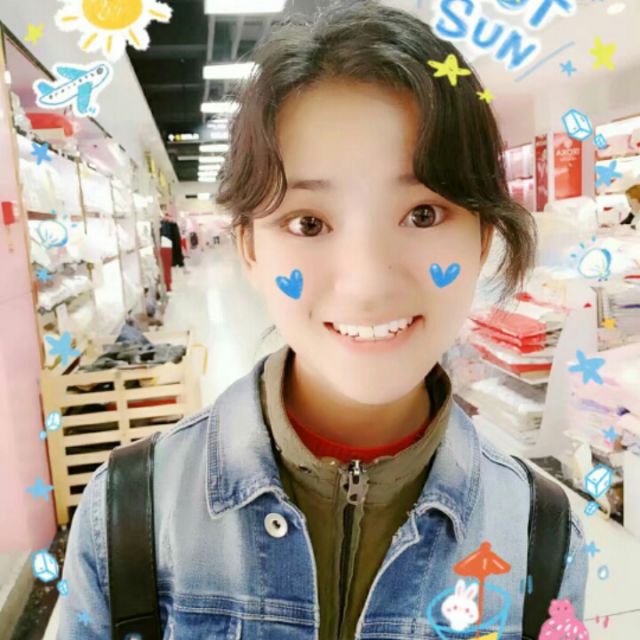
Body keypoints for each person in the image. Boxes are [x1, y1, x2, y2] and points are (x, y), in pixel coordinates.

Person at [58, 2, 588, 638]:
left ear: (483, 237)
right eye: (308, 223)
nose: (366, 284)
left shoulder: (541, 535)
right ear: (250, 248)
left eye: (423, 214)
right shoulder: (128, 517)